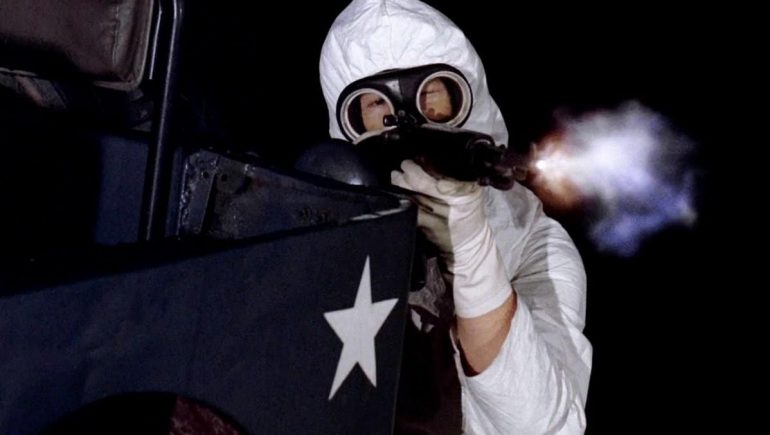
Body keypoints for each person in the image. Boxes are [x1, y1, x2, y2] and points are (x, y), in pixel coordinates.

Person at [320, 0, 592, 433]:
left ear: (470, 102)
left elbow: (542, 427)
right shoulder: (314, 232)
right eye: (377, 109)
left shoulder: (534, 247)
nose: (409, 127)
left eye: (431, 97)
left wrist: (473, 254)